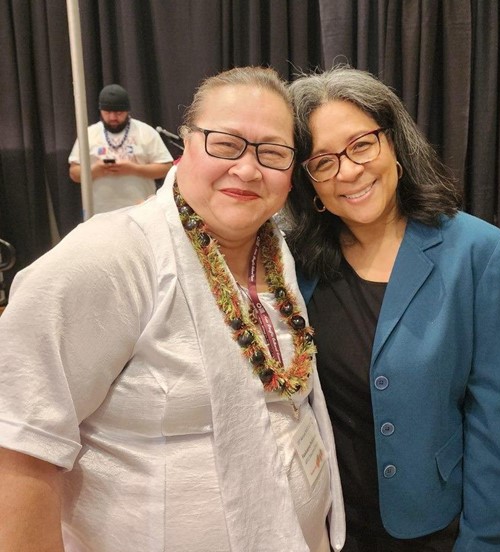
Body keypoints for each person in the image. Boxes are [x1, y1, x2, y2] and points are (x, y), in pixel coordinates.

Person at [0, 67, 345, 552]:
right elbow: (19, 445)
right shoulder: (109, 258)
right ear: (183, 146)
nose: (247, 169)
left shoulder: (276, 250)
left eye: (272, 152)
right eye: (226, 143)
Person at [285, 66, 500, 551]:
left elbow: (495, 421)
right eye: (323, 161)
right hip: (325, 524)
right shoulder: (294, 263)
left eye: (361, 144)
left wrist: (488, 540)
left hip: (433, 525)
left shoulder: (480, 253)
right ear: (308, 181)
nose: (348, 171)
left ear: (395, 143)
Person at [68, 83, 173, 214]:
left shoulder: (145, 131)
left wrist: (134, 169)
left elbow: (167, 168)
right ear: (100, 111)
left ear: (127, 111)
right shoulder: (88, 134)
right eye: (107, 112)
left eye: (118, 113)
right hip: (99, 212)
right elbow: (74, 173)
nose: (112, 117)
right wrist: (95, 171)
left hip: (140, 210)